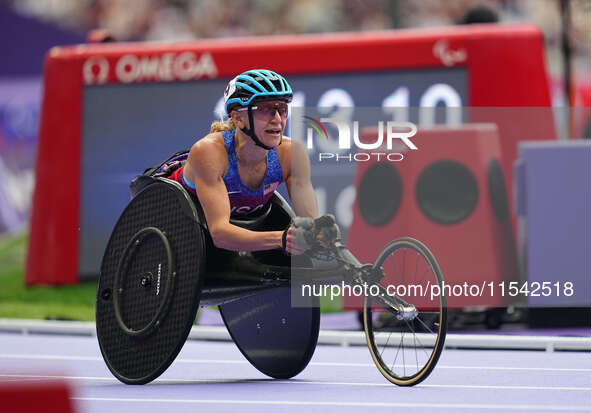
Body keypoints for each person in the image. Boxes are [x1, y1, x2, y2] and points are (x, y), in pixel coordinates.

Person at [168, 69, 318, 255]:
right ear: (238, 118)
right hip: (177, 225)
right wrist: (282, 239)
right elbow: (220, 234)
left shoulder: (292, 153)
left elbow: (311, 224)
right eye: (265, 110)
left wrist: (317, 234)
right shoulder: (209, 152)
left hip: (239, 229)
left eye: (282, 109)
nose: (278, 119)